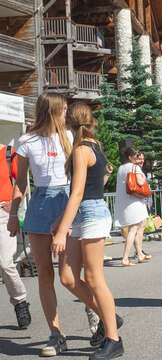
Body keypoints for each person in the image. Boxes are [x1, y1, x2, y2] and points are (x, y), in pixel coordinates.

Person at [51, 103, 123, 359]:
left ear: (69, 125)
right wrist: (62, 219)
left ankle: (113, 339)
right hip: (82, 213)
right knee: (68, 278)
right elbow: (81, 191)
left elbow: (80, 192)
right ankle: (110, 316)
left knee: (94, 278)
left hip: (91, 214)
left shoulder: (83, 149)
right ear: (89, 122)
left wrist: (61, 231)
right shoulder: (92, 146)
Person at [7, 93, 75, 356]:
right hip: (40, 204)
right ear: (52, 110)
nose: (67, 113)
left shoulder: (69, 137)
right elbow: (21, 183)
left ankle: (97, 316)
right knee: (44, 273)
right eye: (64, 109)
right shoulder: (26, 141)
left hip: (66, 200)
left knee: (68, 276)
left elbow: (80, 176)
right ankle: (56, 333)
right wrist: (14, 215)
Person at [0, 142, 31, 329]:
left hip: (3, 214)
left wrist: (14, 207)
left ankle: (19, 301)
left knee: (5, 262)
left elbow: (21, 182)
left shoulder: (8, 153)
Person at [114, 146, 150, 266]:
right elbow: (140, 182)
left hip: (125, 202)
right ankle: (125, 258)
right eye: (136, 156)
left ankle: (139, 253)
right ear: (130, 157)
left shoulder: (120, 168)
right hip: (135, 201)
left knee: (137, 227)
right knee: (133, 229)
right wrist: (143, 176)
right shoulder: (134, 167)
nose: (138, 158)